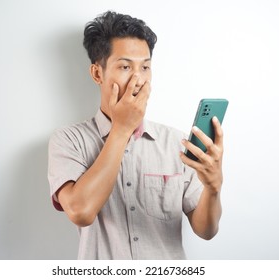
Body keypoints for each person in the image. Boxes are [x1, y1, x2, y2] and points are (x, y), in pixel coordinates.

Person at [48, 11, 224, 260]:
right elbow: (81, 211)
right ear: (98, 74)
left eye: (145, 67)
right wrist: (121, 128)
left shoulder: (176, 142)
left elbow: (206, 230)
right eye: (125, 67)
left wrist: (213, 187)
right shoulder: (68, 140)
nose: (138, 79)